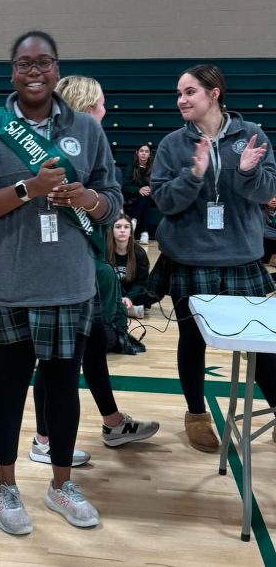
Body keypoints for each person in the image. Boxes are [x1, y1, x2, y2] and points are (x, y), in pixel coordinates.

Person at [0, 31, 123, 535]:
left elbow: (112, 198)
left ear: (55, 69)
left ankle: (60, 485)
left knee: (63, 389)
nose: (34, 71)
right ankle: (5, 488)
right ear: (12, 71)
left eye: (44, 62)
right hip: (6, 284)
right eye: (24, 63)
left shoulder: (87, 132)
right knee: (8, 387)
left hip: (69, 284)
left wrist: (84, 199)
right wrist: (28, 189)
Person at [30, 75, 158, 471]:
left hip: (84, 265)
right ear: (86, 108)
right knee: (52, 360)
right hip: (56, 271)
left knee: (95, 340)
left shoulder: (90, 152)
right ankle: (43, 440)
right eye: (101, 104)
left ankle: (113, 422)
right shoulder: (56, 155)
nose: (106, 110)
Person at [148, 63, 276, 452]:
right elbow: (165, 202)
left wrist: (248, 173)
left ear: (214, 93)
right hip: (189, 258)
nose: (181, 100)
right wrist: (193, 175)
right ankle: (196, 414)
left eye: (189, 92)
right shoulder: (172, 144)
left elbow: (266, 192)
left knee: (261, 342)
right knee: (192, 340)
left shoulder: (250, 134)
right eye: (179, 94)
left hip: (241, 257)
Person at [106, 213, 153, 315]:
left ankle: (120, 308)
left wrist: (129, 298)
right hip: (111, 293)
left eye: (126, 227)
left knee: (148, 295)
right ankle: (126, 310)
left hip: (131, 293)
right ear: (112, 231)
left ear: (131, 232)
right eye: (118, 227)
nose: (122, 230)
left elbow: (141, 282)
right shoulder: (104, 251)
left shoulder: (139, 253)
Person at [123, 143, 154, 244]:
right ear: (137, 153)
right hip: (133, 198)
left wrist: (150, 189)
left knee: (145, 196)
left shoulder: (154, 168)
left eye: (146, 151)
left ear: (150, 154)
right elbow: (125, 186)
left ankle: (134, 221)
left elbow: (159, 183)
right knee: (144, 197)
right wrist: (139, 190)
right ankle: (144, 233)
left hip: (151, 197)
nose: (144, 154)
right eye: (141, 151)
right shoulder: (131, 167)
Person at [261, 195, 276, 266]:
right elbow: (263, 231)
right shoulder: (259, 211)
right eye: (270, 197)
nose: (273, 200)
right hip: (264, 245)